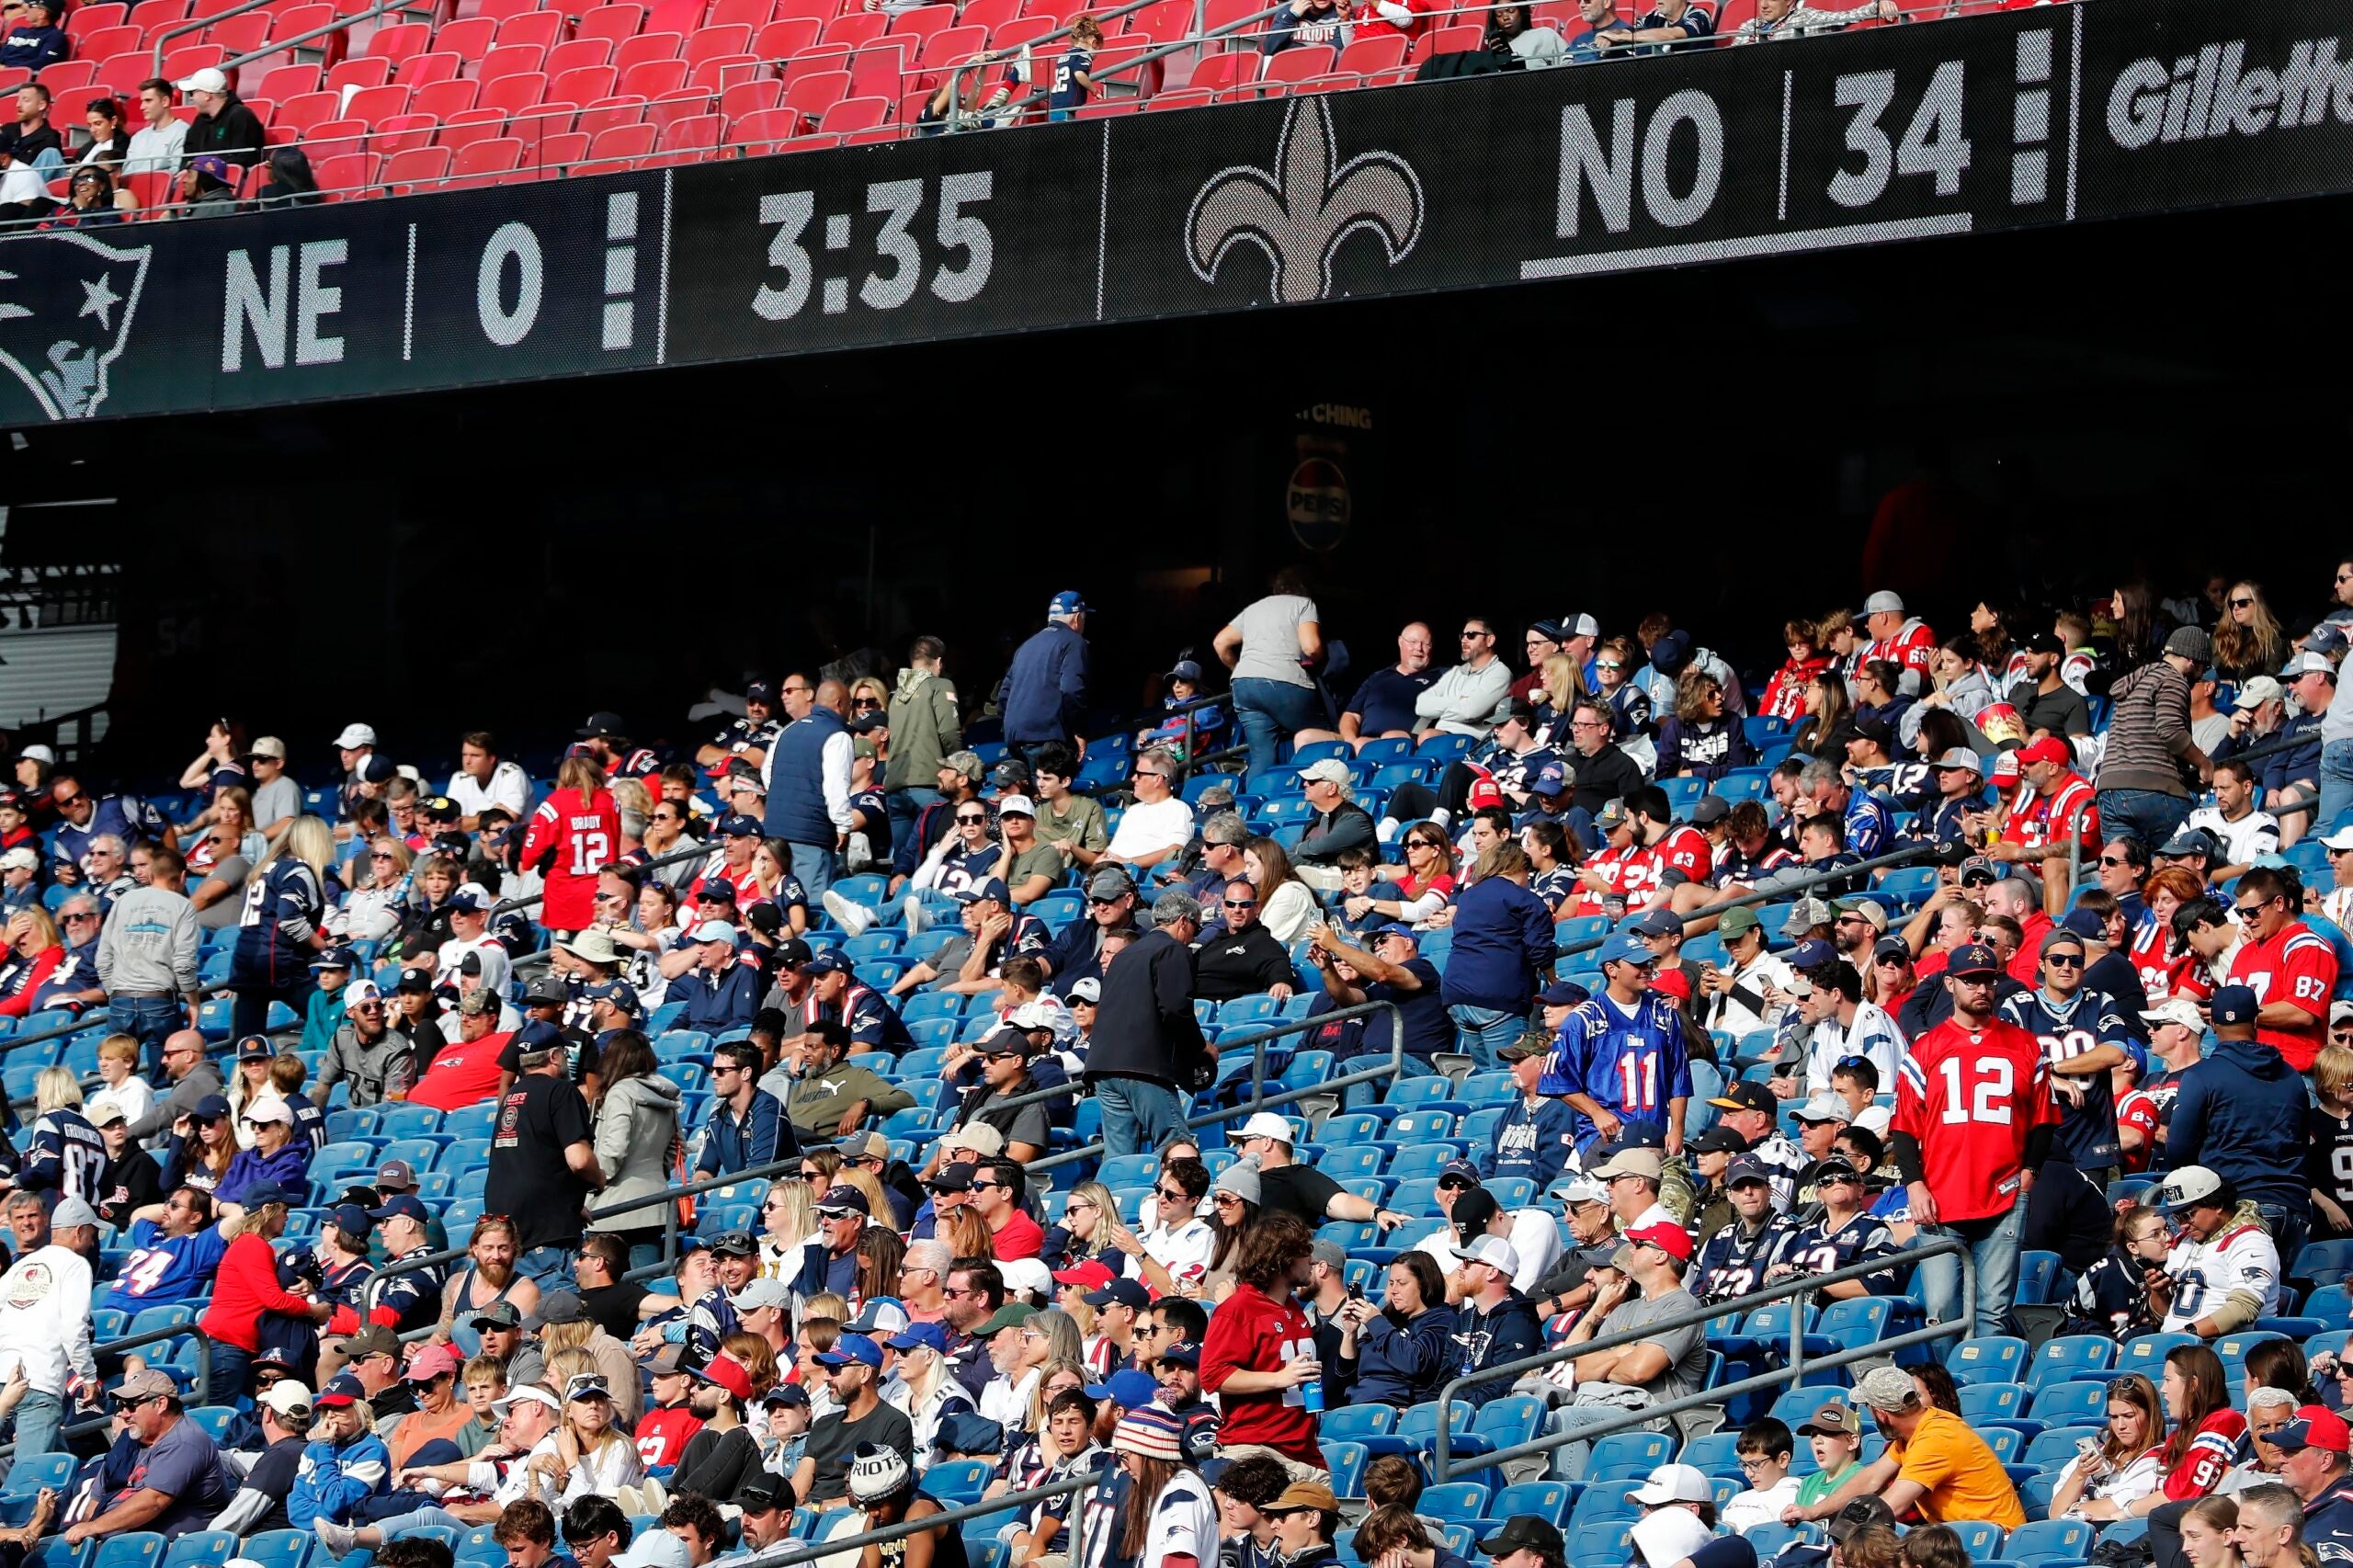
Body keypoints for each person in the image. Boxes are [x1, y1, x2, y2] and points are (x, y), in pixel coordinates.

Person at [1893, 941, 2056, 1336]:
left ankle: (1984, 1391)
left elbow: (2044, 1119)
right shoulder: (1926, 1048)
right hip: (1939, 1193)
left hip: (2004, 1191)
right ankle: (1948, 1393)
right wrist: (1914, 1185)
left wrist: (2030, 1171)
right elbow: (1903, 1126)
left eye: (1987, 980)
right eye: (1970, 981)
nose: (1981, 989)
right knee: (1941, 1311)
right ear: (1950, 984)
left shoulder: (2025, 1045)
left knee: (1993, 1312)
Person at [2169, 987, 2314, 1269]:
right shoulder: (2291, 1076)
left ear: (2213, 1024)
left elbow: (2179, 1149)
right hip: (2294, 1206)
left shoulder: (2201, 1076)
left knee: (2237, 1304)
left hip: (2237, 1207)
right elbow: (2301, 1140)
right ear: (2256, 1021)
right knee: (2282, 1305)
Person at [1785, 1364, 2025, 1529]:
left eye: (1868, 1407)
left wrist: (1843, 1530)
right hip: (1956, 1535)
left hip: (1994, 1536)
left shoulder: (1937, 1437)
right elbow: (1870, 1478)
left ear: (1880, 1413)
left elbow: (1893, 1504)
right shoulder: (1912, 1433)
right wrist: (1812, 1512)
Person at [1543, 931, 1690, 1155]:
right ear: (1612, 970)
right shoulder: (1584, 1019)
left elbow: (1678, 1078)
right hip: (1606, 1137)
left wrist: (1677, 1128)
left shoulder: (1664, 1015)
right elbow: (1556, 1078)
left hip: (1653, 1135)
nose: (1646, 969)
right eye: (1637, 964)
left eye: (1648, 962)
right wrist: (1596, 1113)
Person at [1199, 1210, 1323, 1474]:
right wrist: (1278, 1378)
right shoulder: (1238, 1309)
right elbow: (1213, 1376)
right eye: (1305, 1251)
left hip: (1305, 1450)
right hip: (1257, 1447)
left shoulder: (1294, 1309)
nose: (1312, 1260)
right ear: (1283, 1258)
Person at [1086, 890, 1206, 1157]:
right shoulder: (1172, 949)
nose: (1194, 936)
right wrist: (1201, 1047)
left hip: (1103, 1064)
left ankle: (1116, 1197)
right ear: (1183, 921)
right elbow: (1176, 1009)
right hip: (1143, 1065)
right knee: (1175, 1145)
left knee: (1119, 1155)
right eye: (1196, 928)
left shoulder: (1125, 954)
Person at [62, 1366, 239, 1545]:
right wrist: (88, 1529)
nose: (123, 1414)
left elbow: (153, 1501)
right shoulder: (130, 1439)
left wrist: (94, 1528)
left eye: (131, 1406)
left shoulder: (185, 1441)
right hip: (120, 1542)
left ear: (161, 1404)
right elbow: (98, 1495)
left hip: (173, 1547)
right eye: (121, 1406)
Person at [485, 1027, 602, 1286]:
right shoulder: (561, 1091)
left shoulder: (511, 1097)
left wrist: (568, 1204)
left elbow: (530, 1160)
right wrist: (599, 1178)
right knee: (559, 1322)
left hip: (508, 1235)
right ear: (554, 1057)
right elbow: (579, 1159)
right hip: (545, 1240)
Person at [1440, 843, 1558, 1069]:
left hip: (1456, 993)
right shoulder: (1525, 899)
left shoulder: (1468, 896)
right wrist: (1554, 981)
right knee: (1511, 1074)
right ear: (1520, 868)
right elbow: (1540, 951)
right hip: (1497, 994)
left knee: (1485, 1074)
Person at [0, 1193, 98, 1456]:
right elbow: (73, 1328)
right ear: (79, 1232)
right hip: (39, 1382)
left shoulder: (22, 1265)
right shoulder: (76, 1265)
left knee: (59, 1461)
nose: (92, 1242)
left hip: (4, 1377)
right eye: (91, 1234)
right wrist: (88, 1375)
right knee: (33, 1475)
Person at [794, 1334, 917, 1509]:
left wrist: (820, 1508)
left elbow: (886, 1494)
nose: (826, 1377)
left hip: (855, 1520)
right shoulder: (823, 1424)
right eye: (827, 1368)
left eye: (835, 1368)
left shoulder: (894, 1424)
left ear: (865, 1373)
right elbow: (798, 1490)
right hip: (809, 1518)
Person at [2047, 1372, 2165, 1521]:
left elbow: (2114, 1509)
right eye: (2114, 1417)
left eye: (2128, 1416)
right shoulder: (2096, 1455)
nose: (2120, 1426)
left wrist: (2074, 1507)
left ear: (2151, 1415)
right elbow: (2055, 1514)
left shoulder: (2160, 1458)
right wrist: (2079, 1475)